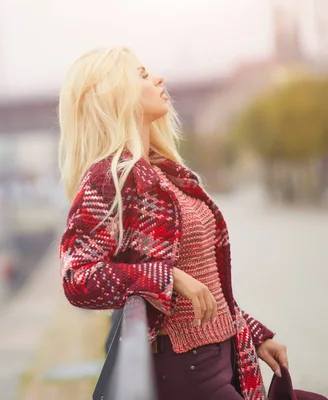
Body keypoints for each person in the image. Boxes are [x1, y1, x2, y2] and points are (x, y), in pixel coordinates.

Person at [57, 46, 288, 400]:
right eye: (142, 75)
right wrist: (167, 277)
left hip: (224, 355)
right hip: (188, 368)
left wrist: (255, 333)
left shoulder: (164, 173)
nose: (158, 79)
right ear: (114, 94)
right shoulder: (110, 178)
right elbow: (78, 278)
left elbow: (207, 278)